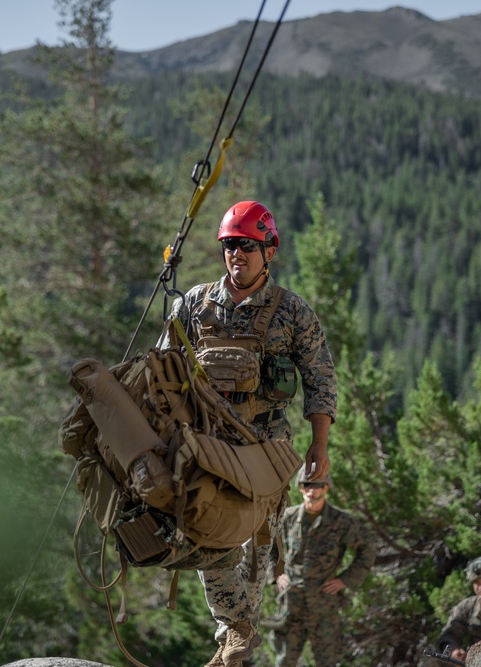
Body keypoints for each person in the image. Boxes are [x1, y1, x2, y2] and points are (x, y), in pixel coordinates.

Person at [164, 200, 338, 667]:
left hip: (266, 451)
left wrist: (319, 444)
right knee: (204, 538)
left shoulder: (291, 311)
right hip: (207, 448)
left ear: (269, 251)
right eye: (229, 245)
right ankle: (235, 631)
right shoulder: (194, 304)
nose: (236, 253)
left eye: (247, 245)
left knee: (255, 555)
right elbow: (163, 368)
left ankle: (233, 647)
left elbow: (320, 378)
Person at [270, 465, 375, 667]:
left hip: (324, 606)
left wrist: (346, 579)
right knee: (284, 661)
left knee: (326, 662)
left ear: (326, 488)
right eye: (307, 484)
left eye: (318, 485)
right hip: (292, 604)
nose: (312, 490)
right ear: (300, 487)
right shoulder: (287, 518)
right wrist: (277, 573)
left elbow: (368, 548)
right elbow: (268, 546)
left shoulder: (341, 521)